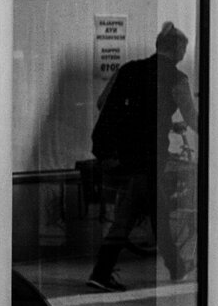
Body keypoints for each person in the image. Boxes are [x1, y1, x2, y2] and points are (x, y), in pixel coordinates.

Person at [85, 23, 199, 290]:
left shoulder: (128, 69)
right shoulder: (177, 79)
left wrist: (162, 122)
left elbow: (104, 103)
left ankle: (176, 266)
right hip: (147, 157)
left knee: (157, 208)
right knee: (129, 216)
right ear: (178, 49)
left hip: (119, 153)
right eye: (184, 48)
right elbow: (193, 118)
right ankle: (100, 273)